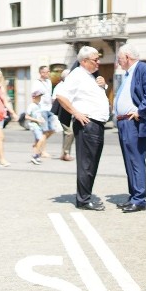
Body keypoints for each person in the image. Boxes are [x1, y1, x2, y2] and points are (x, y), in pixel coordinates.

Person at [53, 46, 111, 211]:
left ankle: (86, 196)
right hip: (87, 124)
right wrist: (76, 113)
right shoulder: (77, 74)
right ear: (84, 61)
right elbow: (61, 96)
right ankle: (84, 200)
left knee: (92, 163)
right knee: (86, 164)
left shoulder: (90, 76)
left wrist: (103, 85)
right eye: (95, 59)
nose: (98, 62)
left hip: (96, 123)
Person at [113, 43, 146, 213]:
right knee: (129, 161)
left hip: (132, 122)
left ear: (127, 57)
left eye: (120, 58)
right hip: (124, 122)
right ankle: (133, 196)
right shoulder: (129, 73)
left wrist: (140, 111)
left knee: (136, 161)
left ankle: (139, 199)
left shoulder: (141, 68)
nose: (118, 62)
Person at [52, 69, 75, 161]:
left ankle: (65, 153)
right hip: (62, 112)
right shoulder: (61, 86)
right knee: (69, 133)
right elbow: (55, 99)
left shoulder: (67, 86)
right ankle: (66, 153)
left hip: (67, 112)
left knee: (66, 134)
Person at [25, 89, 47, 165]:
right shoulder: (31, 106)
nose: (39, 99)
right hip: (34, 125)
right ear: (33, 98)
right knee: (41, 139)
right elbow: (27, 116)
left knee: (37, 141)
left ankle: (36, 157)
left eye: (40, 97)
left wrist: (41, 119)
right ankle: (35, 155)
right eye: (38, 97)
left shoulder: (39, 105)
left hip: (38, 125)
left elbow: (39, 115)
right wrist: (37, 120)